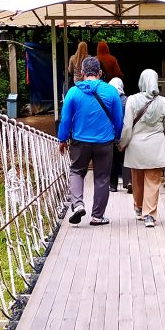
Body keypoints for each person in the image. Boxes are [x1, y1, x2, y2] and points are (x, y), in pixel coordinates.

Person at [58, 55, 124, 226]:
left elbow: (65, 119)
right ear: (100, 73)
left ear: (81, 72)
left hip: (80, 142)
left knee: (76, 171)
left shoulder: (73, 92)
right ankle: (97, 216)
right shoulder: (111, 91)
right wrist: (117, 137)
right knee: (102, 177)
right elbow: (118, 119)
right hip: (104, 142)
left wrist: (62, 139)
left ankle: (78, 204)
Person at [119, 68, 165, 227]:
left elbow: (127, 127)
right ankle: (149, 215)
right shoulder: (164, 102)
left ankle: (139, 207)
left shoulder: (132, 100)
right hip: (155, 146)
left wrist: (122, 144)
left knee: (137, 179)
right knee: (153, 180)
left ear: (141, 82)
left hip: (136, 147)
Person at [108, 77, 131, 192]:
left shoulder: (107, 100)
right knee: (125, 158)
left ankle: (113, 185)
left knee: (112, 159)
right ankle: (128, 182)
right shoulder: (128, 101)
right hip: (125, 134)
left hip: (111, 135)